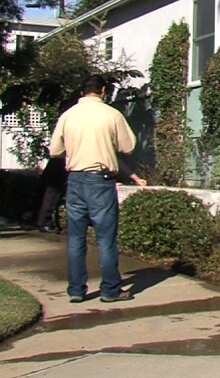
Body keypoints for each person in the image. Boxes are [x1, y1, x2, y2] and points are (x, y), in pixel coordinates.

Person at [49, 74, 137, 303]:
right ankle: (110, 290)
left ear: (82, 92)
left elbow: (55, 151)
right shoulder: (111, 114)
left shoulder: (68, 116)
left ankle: (77, 290)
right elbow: (128, 146)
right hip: (101, 179)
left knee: (76, 238)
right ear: (104, 91)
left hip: (75, 179)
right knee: (106, 239)